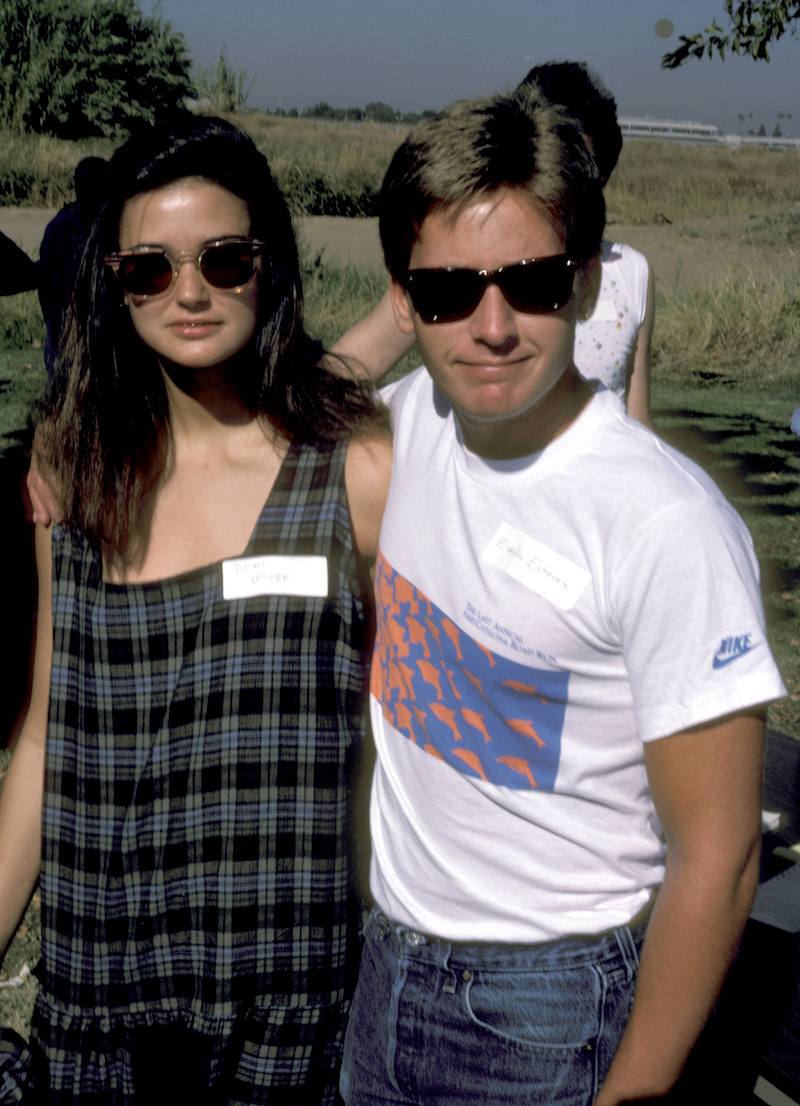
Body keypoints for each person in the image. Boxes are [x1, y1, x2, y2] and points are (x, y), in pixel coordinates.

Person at [338, 88, 786, 1105]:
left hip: (546, 999)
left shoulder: (662, 521)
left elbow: (715, 857)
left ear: (587, 283)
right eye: (448, 291)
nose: (490, 326)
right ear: (402, 302)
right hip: (385, 964)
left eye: (531, 282)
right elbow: (250, 436)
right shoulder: (391, 434)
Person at [0, 115, 391, 1105]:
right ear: (111, 282)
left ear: (271, 264)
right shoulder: (76, 476)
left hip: (292, 1008)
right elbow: (46, 734)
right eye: (149, 268)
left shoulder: (356, 471)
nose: (188, 292)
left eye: (223, 258)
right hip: (103, 995)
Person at [336, 61, 655, 428]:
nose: (494, 328)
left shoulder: (632, 272)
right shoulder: (449, 274)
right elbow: (347, 370)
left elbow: (637, 406)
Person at [37, 156, 107, 377]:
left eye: (95, 184)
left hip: (104, 333)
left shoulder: (113, 226)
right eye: (84, 183)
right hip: (63, 331)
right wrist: (50, 322)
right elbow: (44, 278)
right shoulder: (60, 228)